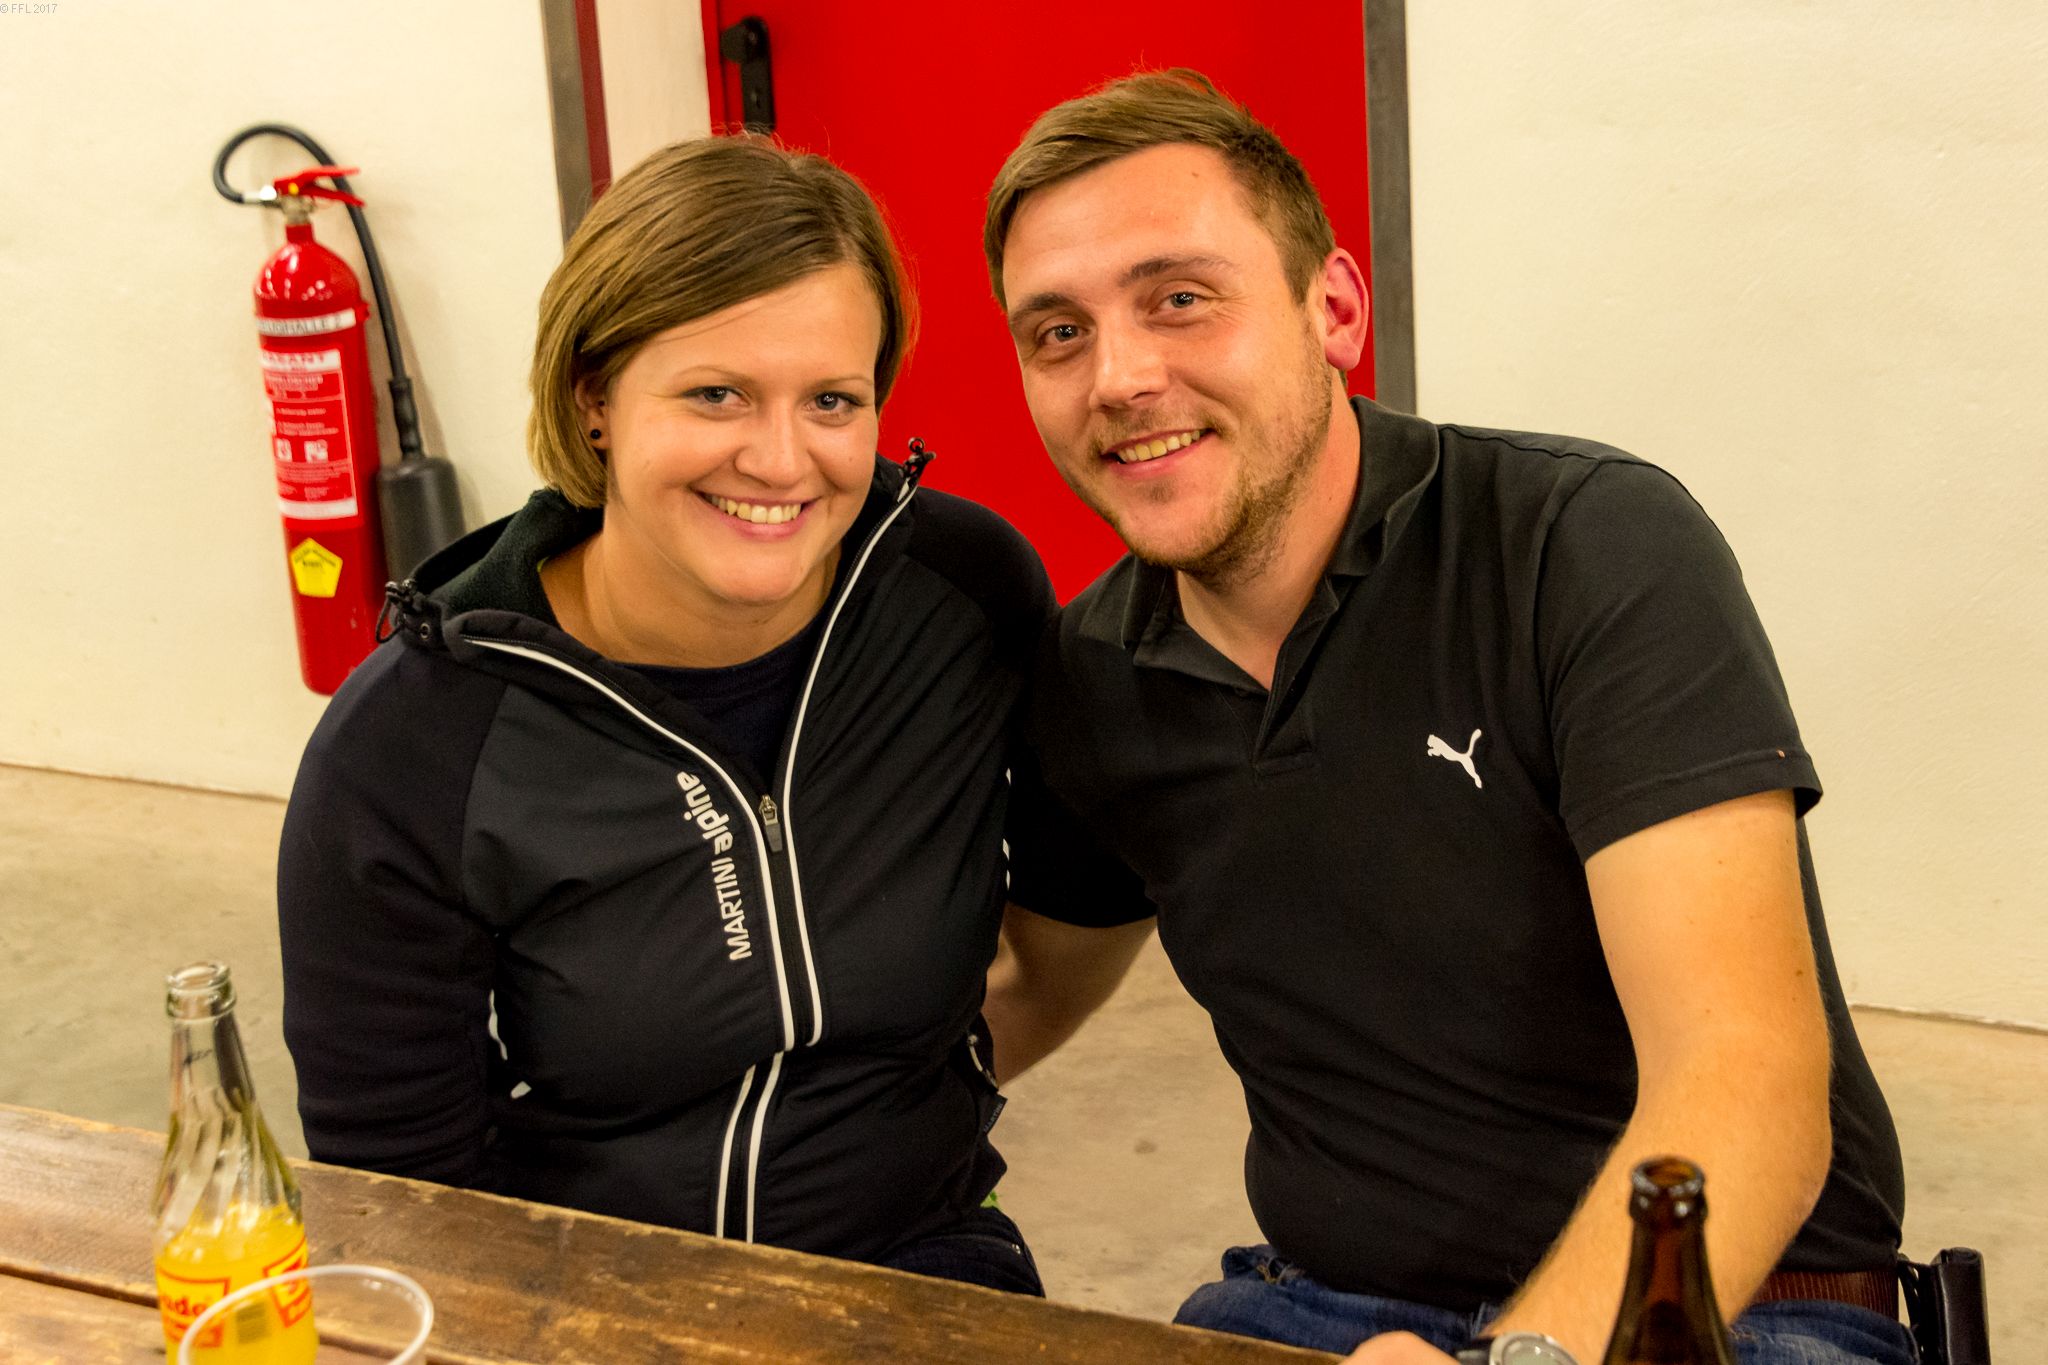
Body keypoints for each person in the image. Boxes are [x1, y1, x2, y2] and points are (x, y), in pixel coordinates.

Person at [976, 70, 1911, 1364]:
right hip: (1319, 1303)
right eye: (1056, 333)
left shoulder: (1577, 546)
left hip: (1730, 1310)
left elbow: (1741, 1077)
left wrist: (1510, 1362)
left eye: (1179, 298)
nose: (1119, 376)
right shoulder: (1095, 675)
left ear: (1334, 309)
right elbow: (1025, 986)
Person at [276, 136, 1143, 1294]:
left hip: (921, 1258)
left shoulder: (960, 596)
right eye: (715, 394)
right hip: (585, 1300)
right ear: (593, 398)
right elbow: (397, 1194)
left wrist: (915, 1110)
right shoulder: (417, 740)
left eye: (830, 400)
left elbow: (1076, 904)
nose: (780, 461)